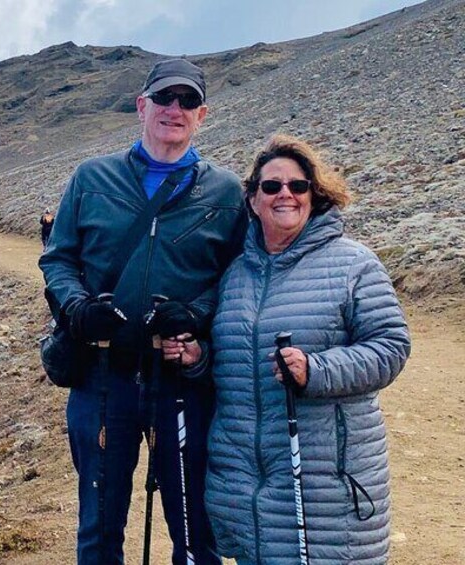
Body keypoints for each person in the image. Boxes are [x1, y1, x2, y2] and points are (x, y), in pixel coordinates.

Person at [164, 134, 411, 564]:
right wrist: (198, 359)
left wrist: (316, 370)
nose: (285, 195)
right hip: (246, 488)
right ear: (253, 200)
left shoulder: (353, 264)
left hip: (324, 488)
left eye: (298, 186)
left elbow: (390, 347)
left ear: (314, 196)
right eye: (271, 186)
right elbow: (231, 368)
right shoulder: (236, 274)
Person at [39, 58, 248, 564]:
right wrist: (77, 307)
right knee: (99, 525)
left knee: (195, 528)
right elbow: (58, 258)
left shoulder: (225, 190)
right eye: (164, 98)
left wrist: (194, 314)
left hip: (180, 382)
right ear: (142, 106)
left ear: (203, 115)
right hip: (101, 377)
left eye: (188, 101)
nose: (175, 109)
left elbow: (238, 277)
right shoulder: (92, 178)